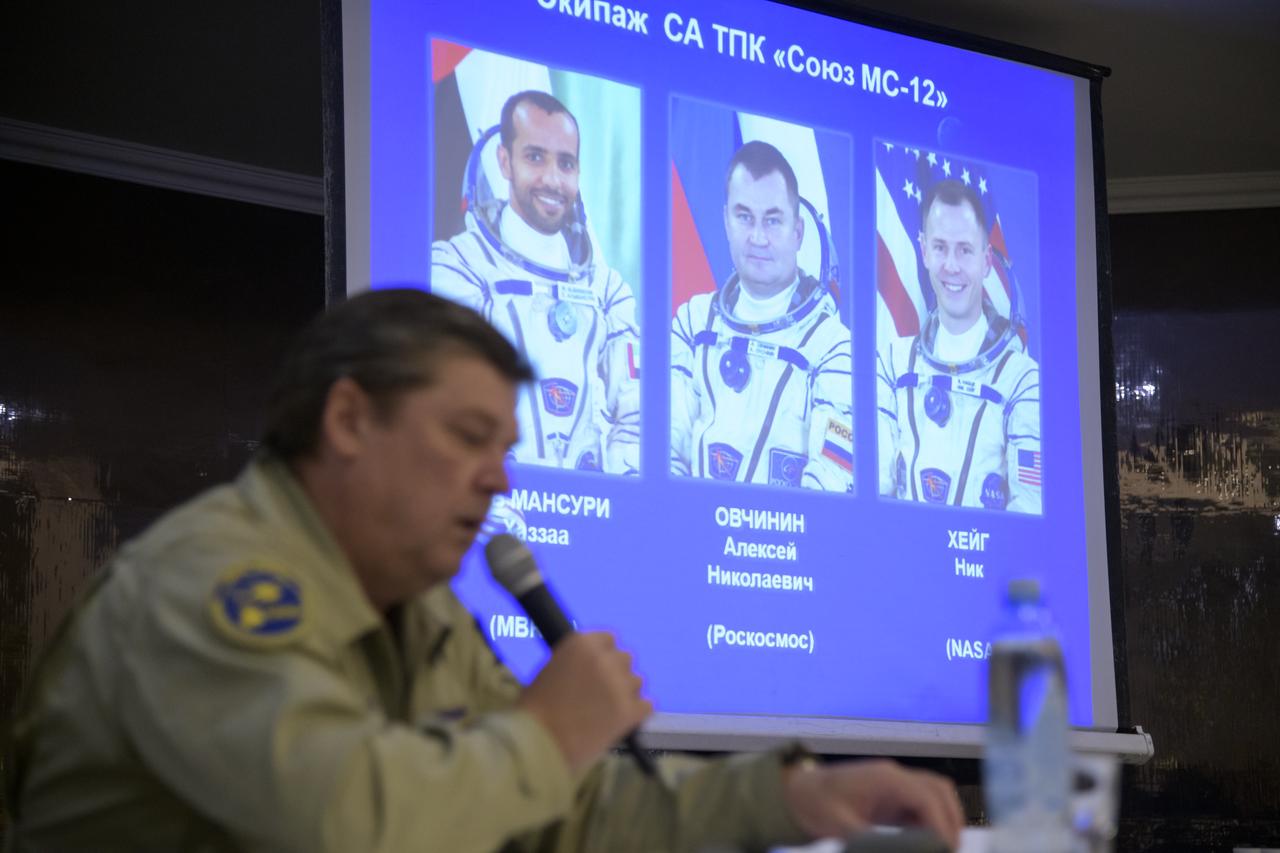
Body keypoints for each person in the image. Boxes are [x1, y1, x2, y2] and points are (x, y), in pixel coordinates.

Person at [4, 289, 964, 852]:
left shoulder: (421, 608)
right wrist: (550, 727)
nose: (500, 478)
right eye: (469, 436)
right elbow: (342, 819)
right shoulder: (206, 581)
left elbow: (560, 807)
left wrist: (791, 797)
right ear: (349, 420)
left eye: (507, 446)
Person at [431, 90, 640, 475]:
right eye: (535, 157)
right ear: (504, 161)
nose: (552, 179)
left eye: (566, 163)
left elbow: (635, 422)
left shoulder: (608, 291)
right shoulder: (459, 266)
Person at [670, 141, 853, 490]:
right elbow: (665, 442)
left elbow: (833, 473)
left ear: (797, 232)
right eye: (744, 217)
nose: (757, 237)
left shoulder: (833, 345)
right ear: (726, 220)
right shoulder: (693, 323)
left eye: (772, 220)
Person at [876, 179, 1041, 513]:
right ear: (923, 251)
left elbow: (1030, 507)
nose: (951, 266)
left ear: (986, 260)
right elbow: (876, 488)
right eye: (940, 248)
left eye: (964, 250)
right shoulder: (892, 362)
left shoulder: (1022, 379)